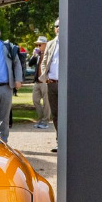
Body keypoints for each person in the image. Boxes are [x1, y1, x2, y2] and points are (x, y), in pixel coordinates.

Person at [42, 18, 60, 152]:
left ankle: (71, 142)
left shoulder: (71, 42)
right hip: (52, 84)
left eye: (61, 25)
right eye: (57, 26)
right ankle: (60, 142)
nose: (59, 28)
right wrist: (46, 76)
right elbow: (44, 61)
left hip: (67, 85)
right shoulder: (50, 44)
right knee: (56, 114)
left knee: (68, 114)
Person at [29, 36, 51, 129]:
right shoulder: (37, 55)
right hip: (37, 81)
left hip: (45, 81)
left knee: (46, 102)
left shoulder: (49, 53)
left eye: (40, 44)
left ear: (45, 45)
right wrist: (34, 55)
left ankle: (45, 121)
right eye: (37, 45)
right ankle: (41, 119)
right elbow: (30, 64)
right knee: (35, 100)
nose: (38, 46)